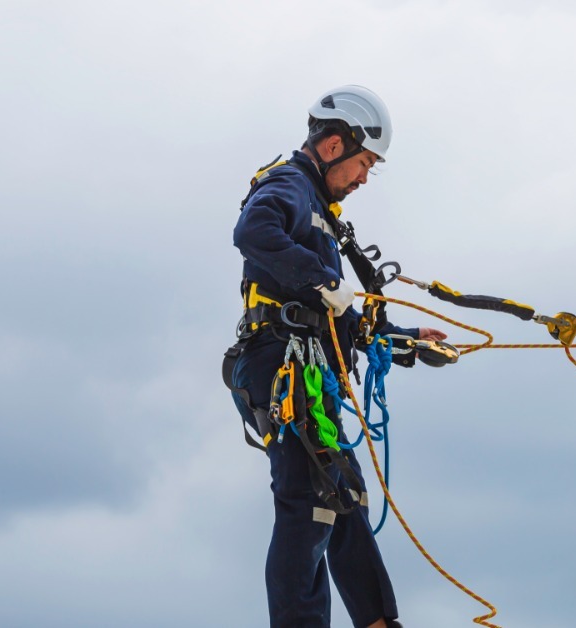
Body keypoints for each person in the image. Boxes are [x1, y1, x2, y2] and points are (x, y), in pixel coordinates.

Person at [227, 85, 446, 627]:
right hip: (279, 364)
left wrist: (404, 340)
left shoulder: (321, 213)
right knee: (310, 503)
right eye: (364, 163)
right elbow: (253, 232)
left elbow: (340, 314)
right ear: (332, 147)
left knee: (345, 498)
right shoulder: (288, 184)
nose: (365, 177)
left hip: (306, 370)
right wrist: (324, 279)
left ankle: (378, 621)